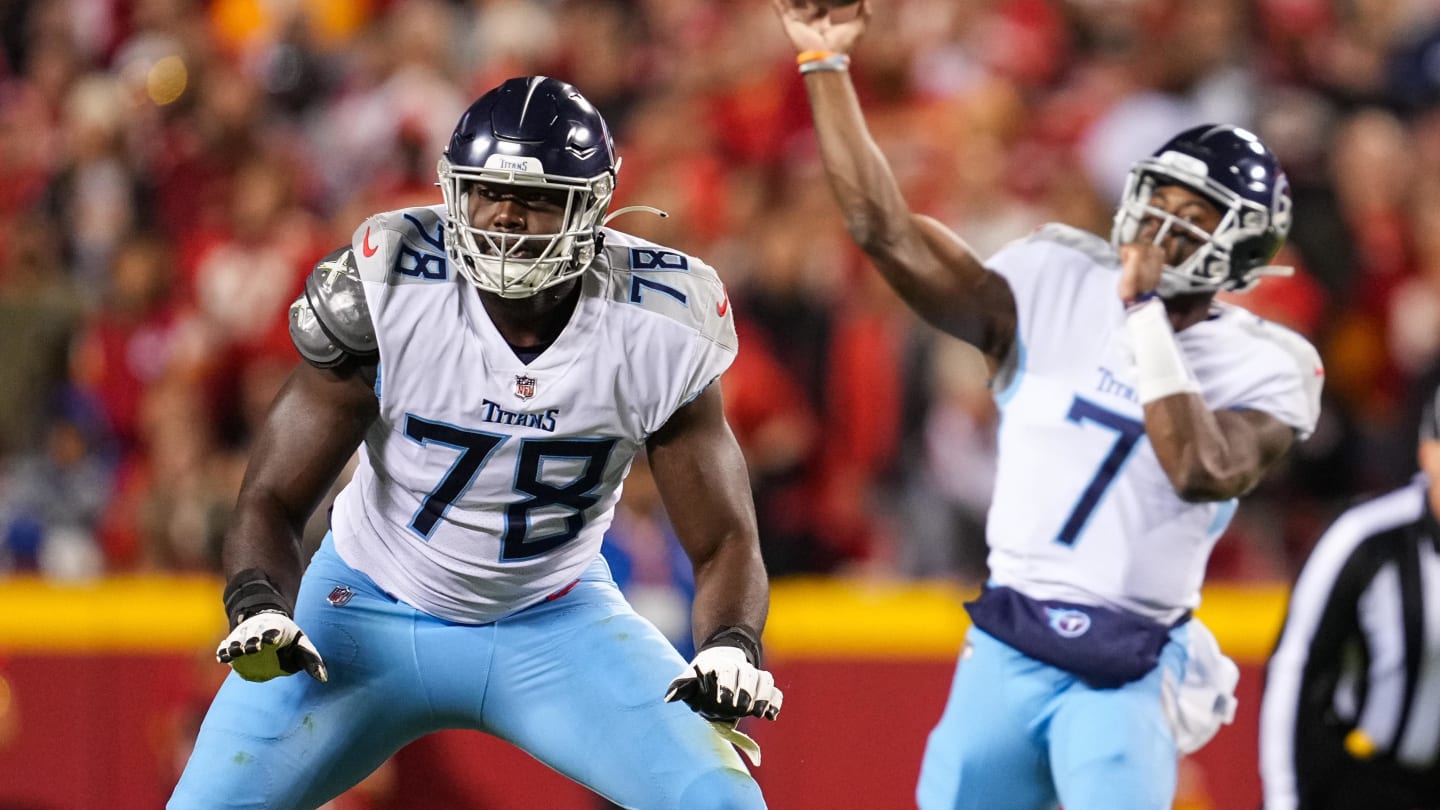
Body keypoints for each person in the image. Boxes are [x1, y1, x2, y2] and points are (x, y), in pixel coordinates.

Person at [168, 76, 783, 810]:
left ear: (592, 209)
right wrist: (259, 602)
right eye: (487, 191)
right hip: (363, 608)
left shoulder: (656, 322)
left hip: (556, 620)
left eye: (535, 198)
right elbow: (271, 495)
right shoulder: (392, 280)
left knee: (723, 803)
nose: (505, 215)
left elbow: (725, 538)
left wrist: (730, 644)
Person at [770, 2, 1322, 809]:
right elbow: (884, 231)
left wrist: (1144, 318)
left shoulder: (1267, 363)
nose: (1165, 228)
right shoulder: (1055, 280)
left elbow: (1200, 466)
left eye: (1196, 218)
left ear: (1242, 249)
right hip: (1009, 638)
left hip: (1130, 658)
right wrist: (825, 64)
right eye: (1162, 201)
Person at [1259, 386, 1440, 810]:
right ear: (1428, 452)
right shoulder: (1367, 536)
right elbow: (1294, 666)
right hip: (1362, 778)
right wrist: (1283, 799)